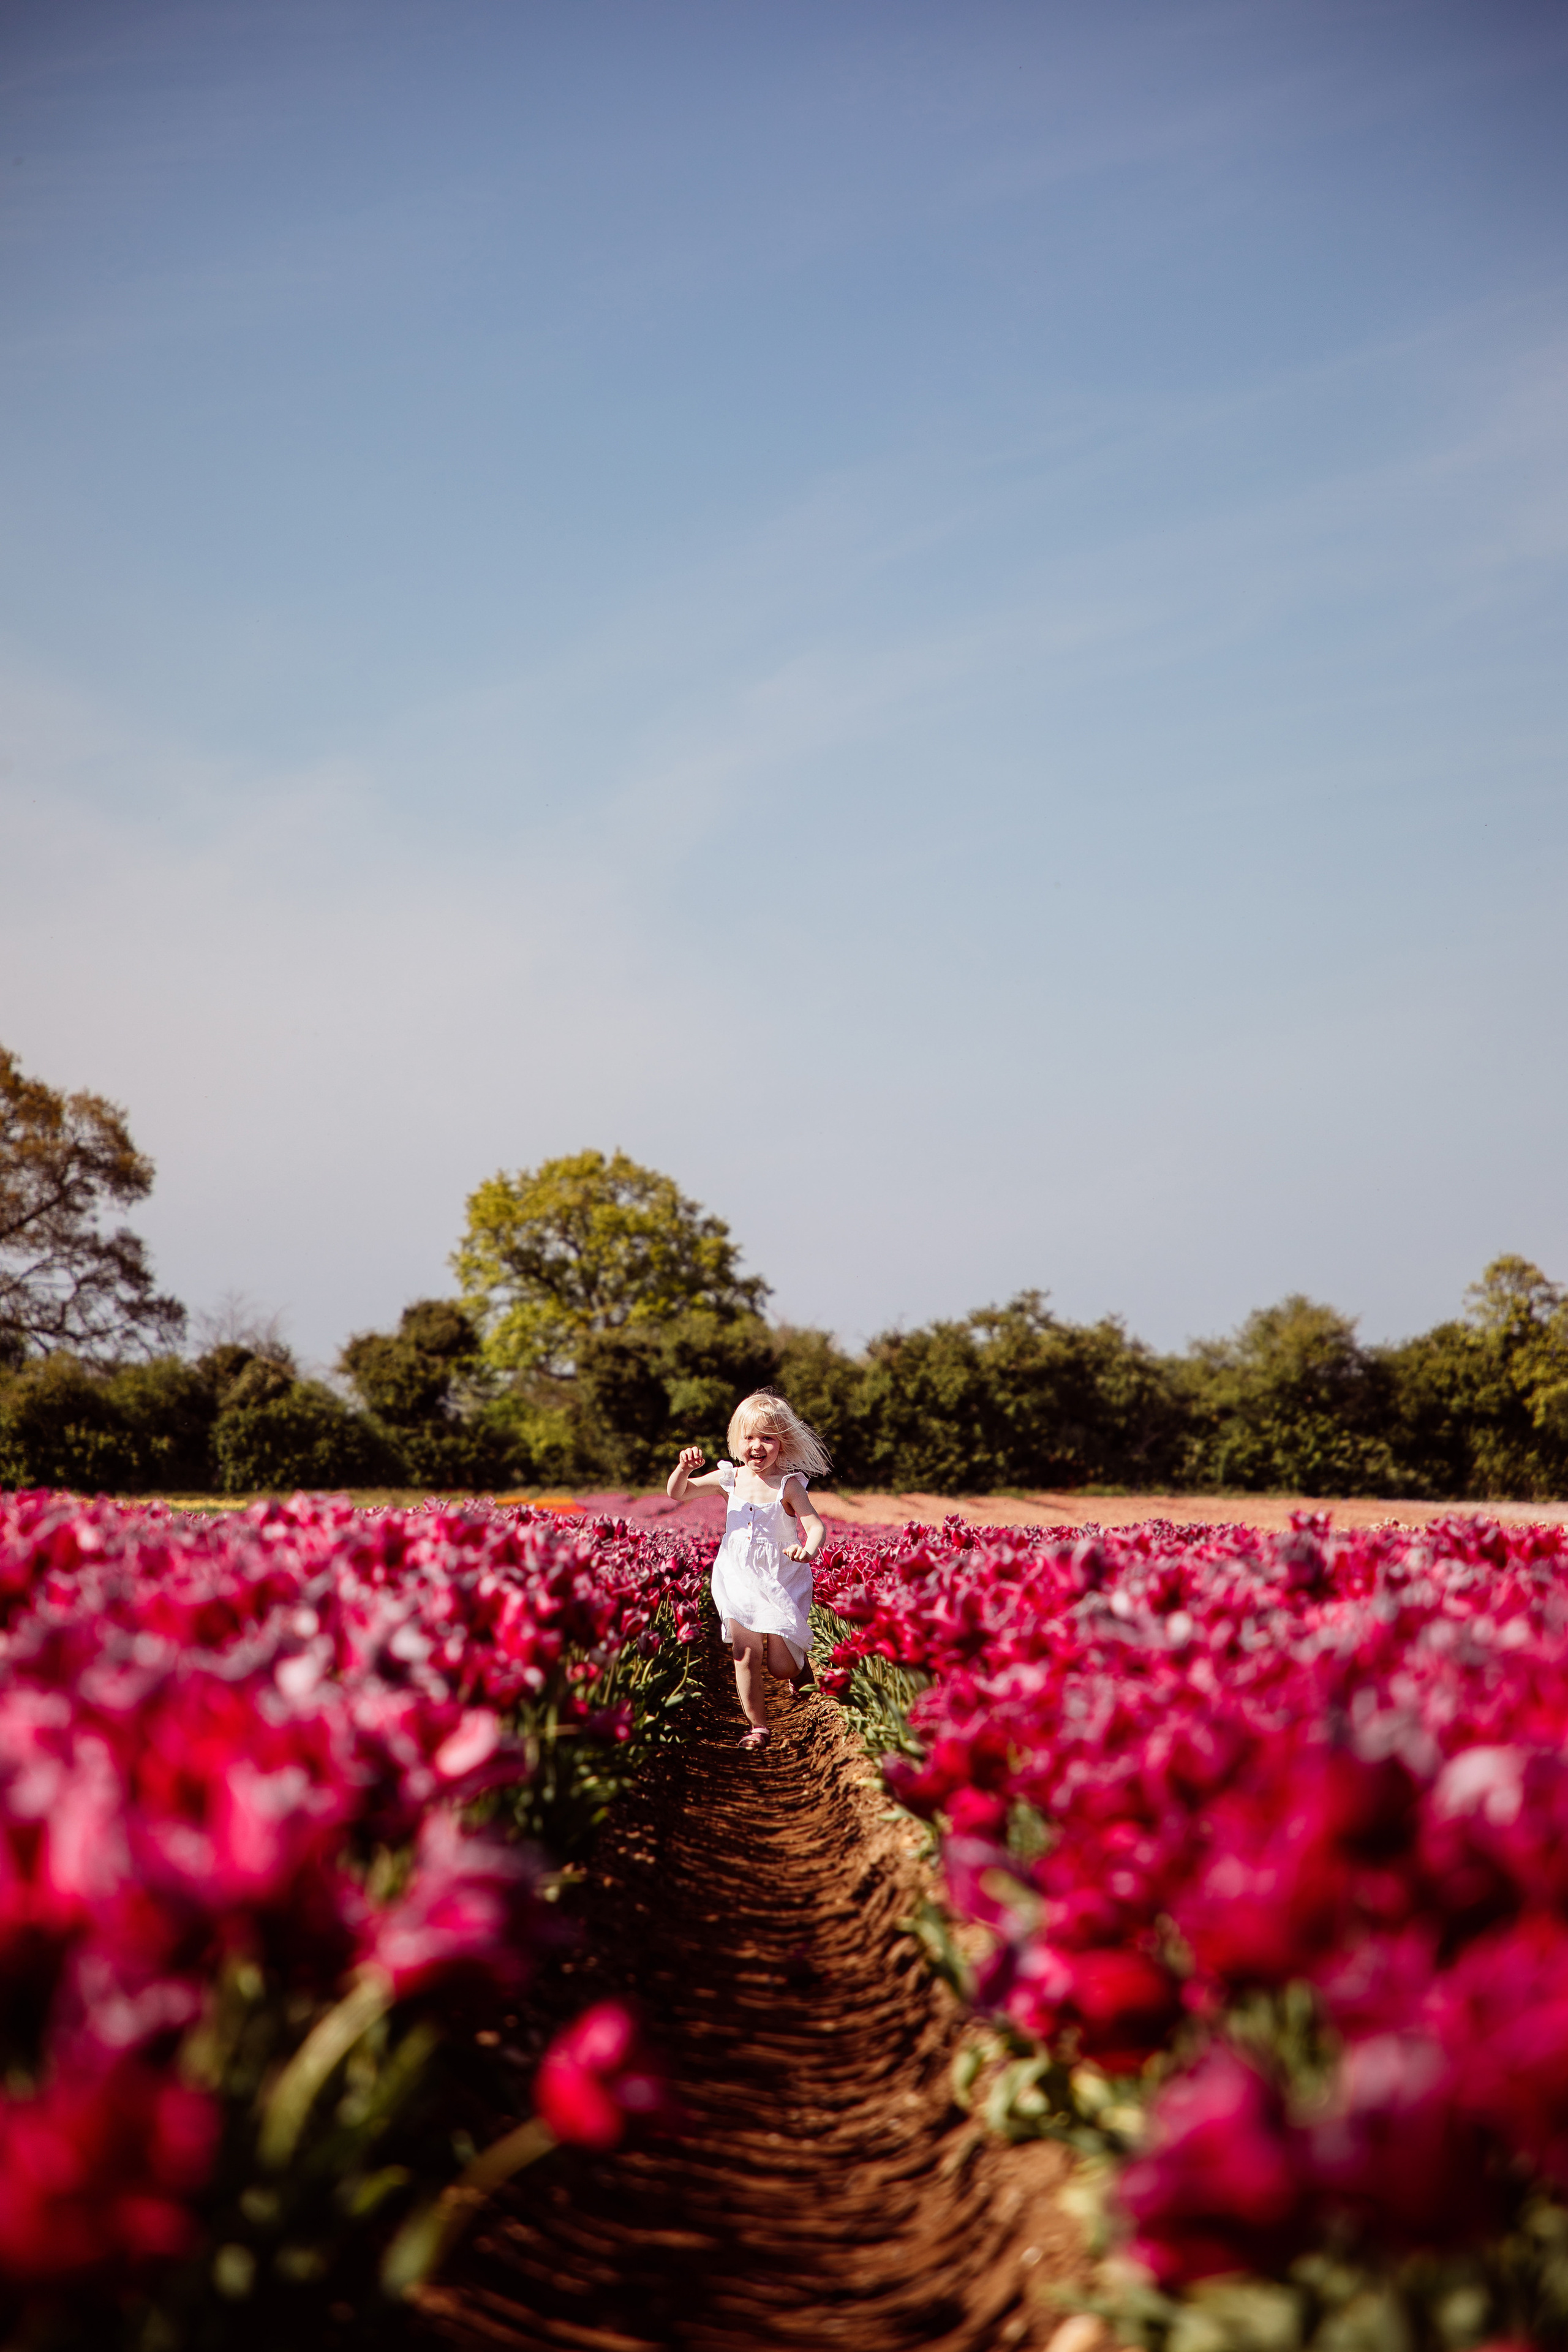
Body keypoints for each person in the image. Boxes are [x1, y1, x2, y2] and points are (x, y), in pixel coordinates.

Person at [666, 1390, 831, 1751]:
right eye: (749, 1437)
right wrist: (684, 1469)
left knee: (781, 1667)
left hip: (781, 1575)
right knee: (745, 1654)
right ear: (736, 1440)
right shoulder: (730, 1480)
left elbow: (816, 1526)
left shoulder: (788, 1485)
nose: (757, 1446)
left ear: (782, 1443)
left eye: (768, 1438)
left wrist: (807, 1550)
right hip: (737, 1574)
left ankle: (799, 1671)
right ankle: (758, 1727)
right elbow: (679, 1494)